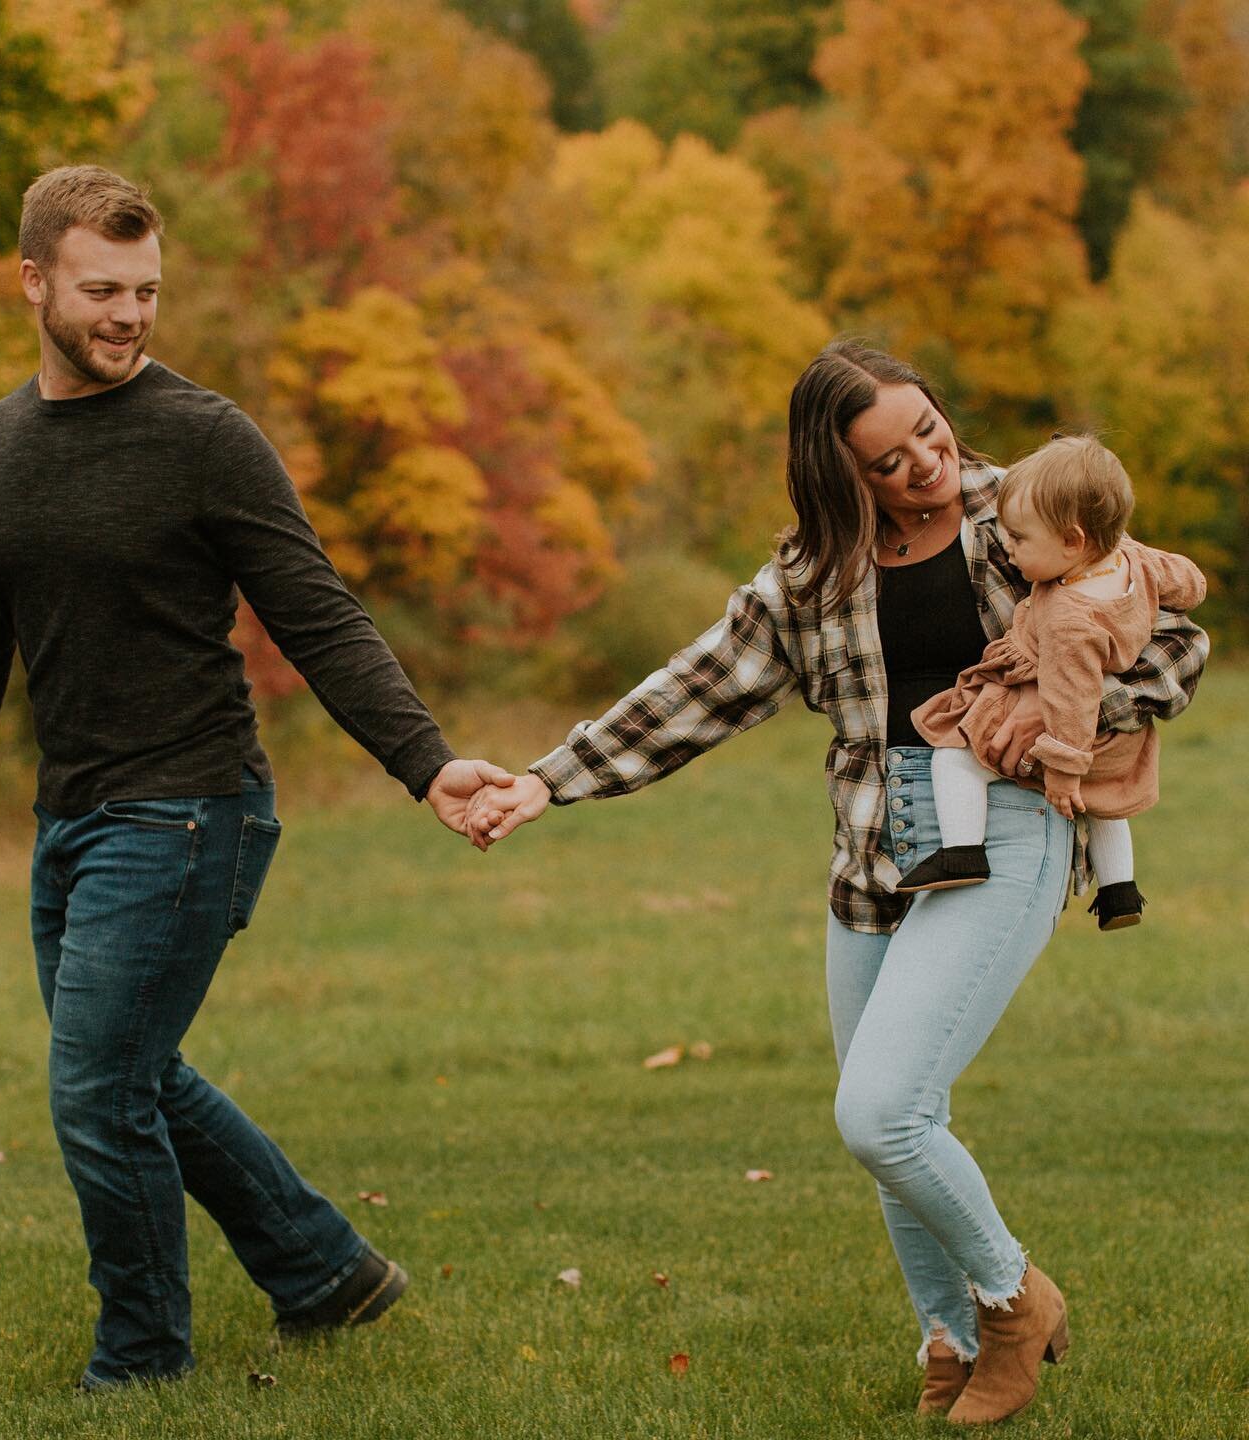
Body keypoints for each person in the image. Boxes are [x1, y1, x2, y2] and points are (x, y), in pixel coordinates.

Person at [469, 341, 1208, 1424]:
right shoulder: (809, 578)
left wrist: (1054, 713)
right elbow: (696, 691)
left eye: (929, 431)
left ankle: (1015, 1300)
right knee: (902, 1127)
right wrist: (545, 783)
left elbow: (1175, 645)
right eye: (890, 458)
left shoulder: (1026, 510)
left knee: (881, 1112)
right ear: (840, 476)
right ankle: (949, 1343)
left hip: (1006, 827)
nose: (926, 462)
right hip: (875, 848)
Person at [0, 165, 511, 1391]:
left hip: (189, 805)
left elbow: (317, 614)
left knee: (97, 1086)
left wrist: (425, 763)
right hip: (71, 814)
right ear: (33, 284)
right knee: (133, 1073)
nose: (129, 313)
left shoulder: (205, 439)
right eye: (102, 290)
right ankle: (324, 1271)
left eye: (147, 291)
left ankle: (142, 1360)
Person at [899, 434, 1206, 931]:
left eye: (1020, 539)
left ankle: (961, 852)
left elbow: (1069, 697)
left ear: (1072, 541)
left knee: (954, 756)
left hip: (1070, 732)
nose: (1008, 546)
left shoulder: (1067, 617)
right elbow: (1189, 582)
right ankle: (1120, 889)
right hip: (1118, 739)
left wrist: (1062, 767)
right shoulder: (1134, 560)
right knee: (1103, 798)